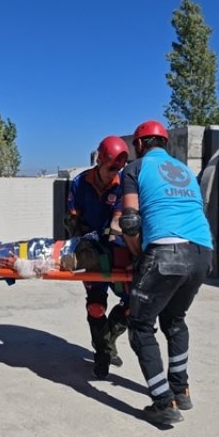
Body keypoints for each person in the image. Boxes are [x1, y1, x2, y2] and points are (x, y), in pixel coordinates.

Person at [118, 120, 214, 425]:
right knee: (175, 320)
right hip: (202, 252)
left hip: (165, 252)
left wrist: (138, 256)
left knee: (140, 326)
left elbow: (130, 222)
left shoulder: (135, 169)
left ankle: (162, 402)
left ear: (140, 145)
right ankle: (181, 389)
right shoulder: (185, 171)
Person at [66, 135, 133, 380]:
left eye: (118, 168)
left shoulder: (125, 184)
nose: (113, 173)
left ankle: (107, 340)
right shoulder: (79, 183)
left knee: (133, 305)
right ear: (99, 160)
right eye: (110, 167)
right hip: (91, 252)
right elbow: (73, 222)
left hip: (118, 249)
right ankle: (102, 353)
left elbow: (118, 223)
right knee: (96, 306)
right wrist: (76, 251)